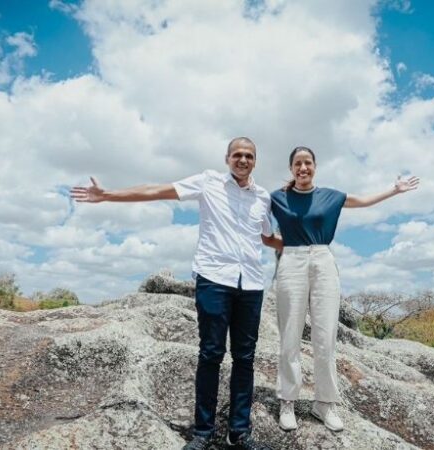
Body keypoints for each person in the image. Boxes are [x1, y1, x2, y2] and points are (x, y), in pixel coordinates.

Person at [70, 137, 280, 450]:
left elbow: (268, 237)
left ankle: (239, 433)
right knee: (210, 353)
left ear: (255, 161)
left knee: (245, 359)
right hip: (214, 278)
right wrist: (109, 195)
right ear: (227, 158)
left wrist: (307, 242)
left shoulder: (262, 197)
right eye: (237, 154)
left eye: (249, 155)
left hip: (250, 284)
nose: (243, 159)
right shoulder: (208, 182)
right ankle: (203, 432)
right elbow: (158, 190)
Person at [270, 146, 419, 432]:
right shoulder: (278, 197)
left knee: (325, 338)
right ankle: (287, 400)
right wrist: (283, 242)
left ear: (315, 166)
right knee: (290, 336)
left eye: (308, 163)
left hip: (324, 260)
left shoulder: (331, 195)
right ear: (291, 168)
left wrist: (395, 190)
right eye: (298, 164)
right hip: (292, 262)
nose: (303, 168)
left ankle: (324, 404)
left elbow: (362, 201)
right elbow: (256, 219)